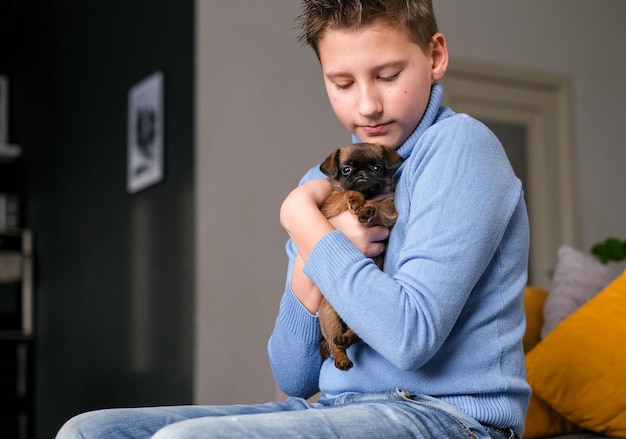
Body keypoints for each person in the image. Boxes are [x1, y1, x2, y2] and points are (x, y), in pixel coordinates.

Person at [57, 1, 530, 438]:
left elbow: (410, 339)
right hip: (339, 403)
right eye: (342, 83)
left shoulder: (460, 148)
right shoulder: (318, 186)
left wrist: (303, 222)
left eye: (387, 75)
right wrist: (314, 258)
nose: (366, 105)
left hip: (450, 416)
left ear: (435, 56)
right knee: (88, 432)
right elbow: (294, 377)